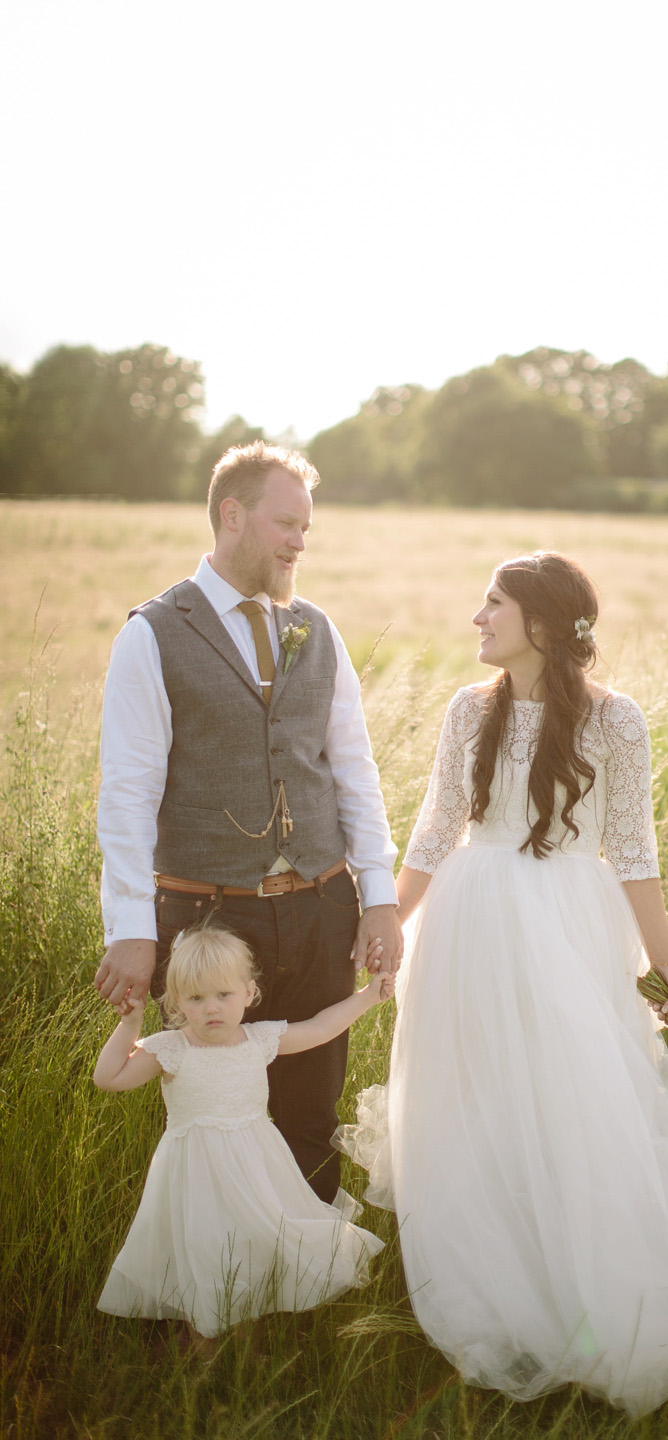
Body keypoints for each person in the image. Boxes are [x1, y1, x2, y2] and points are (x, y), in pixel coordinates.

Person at [338, 550, 668, 1417]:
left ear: (542, 625)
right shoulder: (468, 710)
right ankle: (499, 1295)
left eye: (493, 604)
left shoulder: (617, 722)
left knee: (575, 1104)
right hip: (465, 929)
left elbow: (635, 849)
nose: (477, 618)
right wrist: (390, 924)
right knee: (471, 1108)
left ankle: (593, 1309)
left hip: (568, 930)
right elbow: (435, 830)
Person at [93, 441, 402, 1204]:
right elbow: (128, 791)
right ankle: (230, 1273)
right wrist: (130, 926)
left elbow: (353, 770)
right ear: (232, 515)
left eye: (307, 528)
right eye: (286, 523)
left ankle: (313, 1266)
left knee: (311, 1098)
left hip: (323, 905)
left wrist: (381, 893)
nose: (301, 542)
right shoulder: (153, 633)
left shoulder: (317, 630)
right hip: (209, 914)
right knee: (218, 1107)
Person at [94, 924, 395, 1342]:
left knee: (256, 1238)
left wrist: (367, 997)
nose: (211, 1009)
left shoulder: (259, 1039)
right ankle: (203, 1341)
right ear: (177, 1001)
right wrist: (129, 1026)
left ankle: (250, 1330)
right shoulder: (171, 1048)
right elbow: (109, 1078)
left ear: (249, 993)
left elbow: (322, 1027)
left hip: (254, 1165)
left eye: (224, 995)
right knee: (204, 1247)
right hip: (195, 1172)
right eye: (196, 998)